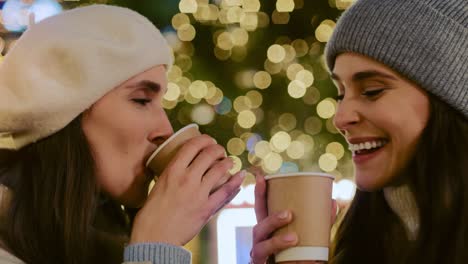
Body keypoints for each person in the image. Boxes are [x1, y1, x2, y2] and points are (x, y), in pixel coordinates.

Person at [0, 5, 245, 264]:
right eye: (141, 100)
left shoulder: (96, 242)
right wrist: (156, 247)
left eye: (160, 103)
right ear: (63, 109)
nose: (165, 130)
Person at [250, 0, 467, 263]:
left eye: (372, 91)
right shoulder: (359, 245)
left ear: (449, 100)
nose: (340, 119)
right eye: (341, 94)